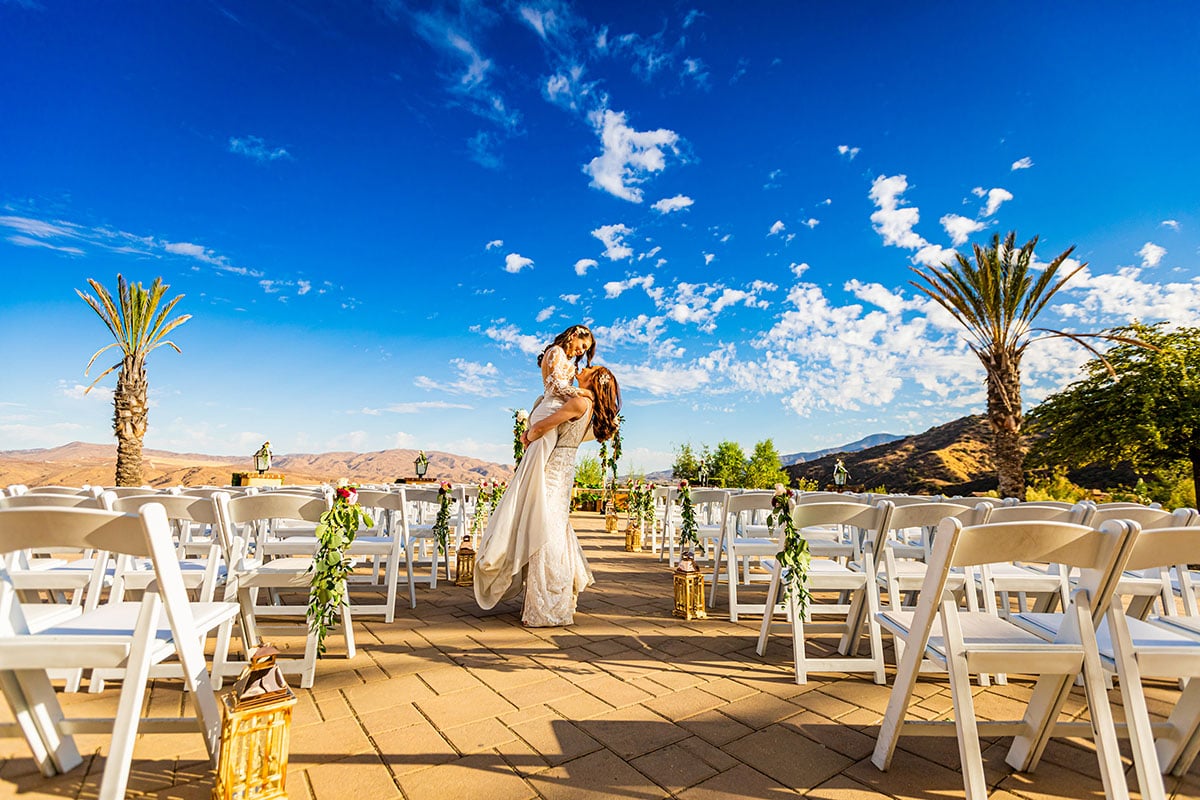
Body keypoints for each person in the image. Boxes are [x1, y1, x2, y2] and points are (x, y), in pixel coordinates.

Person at [474, 365, 622, 626]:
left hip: (553, 469)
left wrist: (528, 435)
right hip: (564, 469)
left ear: (594, 379)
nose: (585, 366)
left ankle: (547, 605)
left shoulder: (578, 402)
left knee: (544, 530)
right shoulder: (589, 406)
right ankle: (554, 599)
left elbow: (544, 426)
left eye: (591, 368)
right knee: (552, 527)